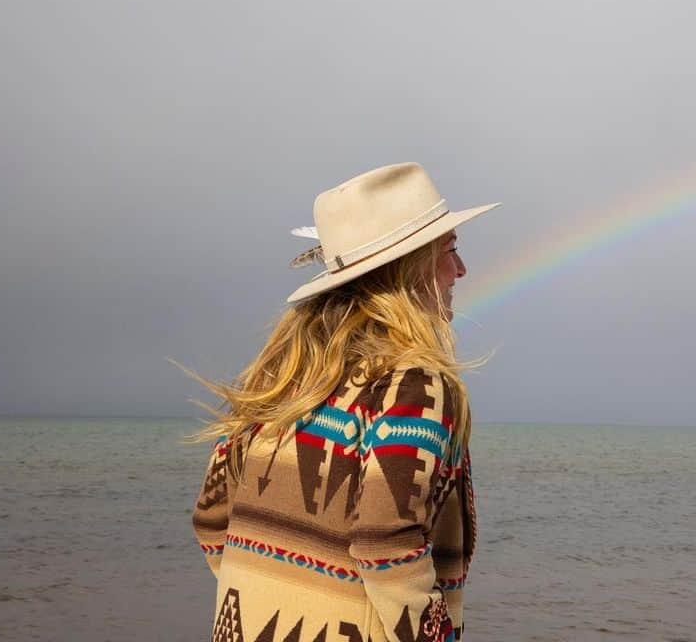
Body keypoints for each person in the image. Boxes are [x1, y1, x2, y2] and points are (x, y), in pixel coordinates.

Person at [184, 163, 498, 642]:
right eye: (450, 250)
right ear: (409, 266)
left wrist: (281, 594)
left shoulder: (281, 375)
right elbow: (386, 546)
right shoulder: (413, 384)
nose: (461, 269)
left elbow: (210, 520)